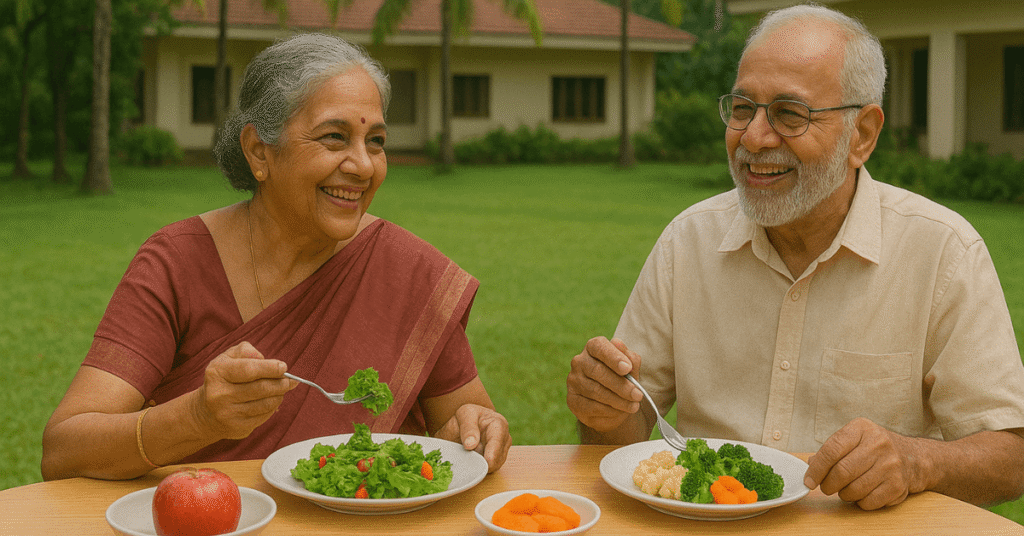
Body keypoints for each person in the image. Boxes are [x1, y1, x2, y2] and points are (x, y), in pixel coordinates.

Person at [566, 3, 1024, 510]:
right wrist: (602, 409)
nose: (754, 138)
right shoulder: (687, 241)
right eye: (743, 109)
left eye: (790, 113)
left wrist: (917, 461)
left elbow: (1010, 458)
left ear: (863, 135)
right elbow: (622, 432)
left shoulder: (942, 252)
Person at [41, 33, 510, 481]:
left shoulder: (408, 271)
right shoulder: (177, 264)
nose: (364, 165)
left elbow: (468, 428)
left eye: (376, 141)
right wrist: (198, 417)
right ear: (258, 152)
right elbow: (65, 450)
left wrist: (472, 430)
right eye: (333, 137)